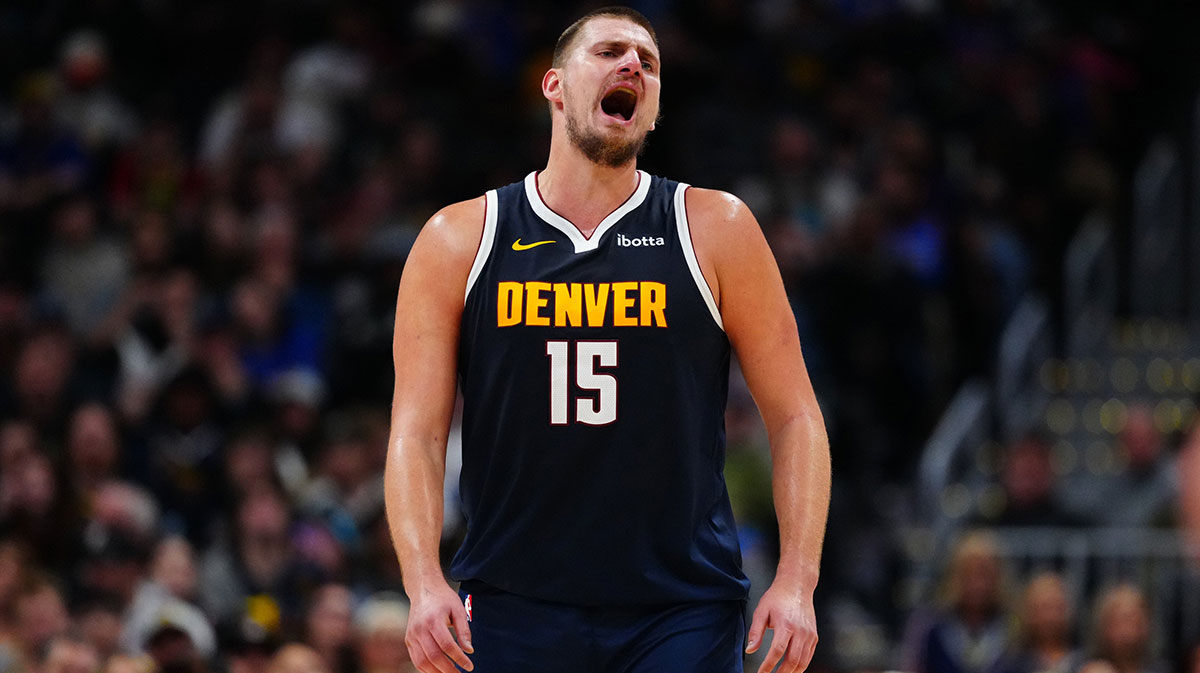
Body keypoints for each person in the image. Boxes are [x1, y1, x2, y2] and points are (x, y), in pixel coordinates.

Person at [384, 6, 830, 673]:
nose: (633, 67)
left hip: (681, 608)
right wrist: (423, 580)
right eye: (611, 52)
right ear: (554, 85)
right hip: (512, 603)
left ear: (651, 111)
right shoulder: (459, 239)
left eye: (648, 62)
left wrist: (798, 578)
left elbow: (796, 415)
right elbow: (416, 432)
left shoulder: (716, 228)